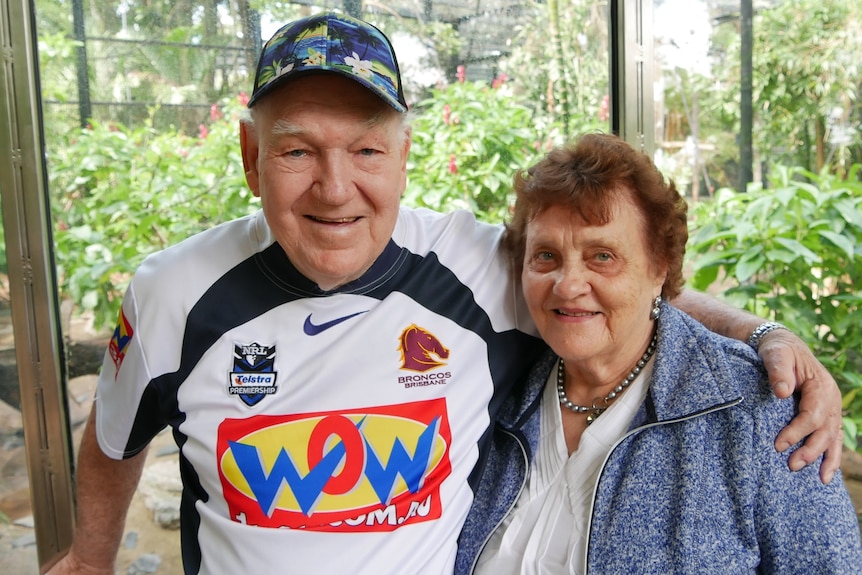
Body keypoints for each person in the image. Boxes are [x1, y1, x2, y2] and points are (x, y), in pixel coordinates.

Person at [47, 12, 844, 575]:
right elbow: (114, 436)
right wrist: (89, 553)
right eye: (297, 150)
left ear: (402, 155)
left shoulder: (466, 264)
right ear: (252, 155)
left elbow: (605, 285)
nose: (335, 188)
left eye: (366, 148)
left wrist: (762, 334)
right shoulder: (172, 293)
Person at [457, 134, 862, 574]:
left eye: (602, 256)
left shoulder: (754, 412)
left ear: (659, 268)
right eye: (546, 256)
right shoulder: (494, 390)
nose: (568, 284)